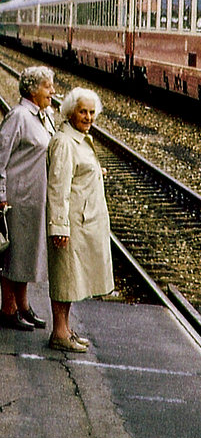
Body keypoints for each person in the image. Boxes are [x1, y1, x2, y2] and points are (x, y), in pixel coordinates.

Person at [46, 87, 114, 352]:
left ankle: (66, 329)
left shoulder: (80, 137)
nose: (88, 117)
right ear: (70, 112)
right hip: (70, 222)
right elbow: (58, 188)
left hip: (80, 222)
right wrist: (59, 226)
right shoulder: (65, 141)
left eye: (91, 112)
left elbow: (77, 172)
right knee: (65, 277)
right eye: (83, 111)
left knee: (72, 278)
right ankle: (59, 333)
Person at [0, 66, 56, 331]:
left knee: (26, 253)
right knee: (13, 255)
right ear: (33, 90)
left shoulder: (43, 116)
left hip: (34, 197)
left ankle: (23, 306)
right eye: (48, 87)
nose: (52, 92)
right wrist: (0, 195)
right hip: (16, 197)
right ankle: (8, 309)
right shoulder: (19, 116)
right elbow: (0, 157)